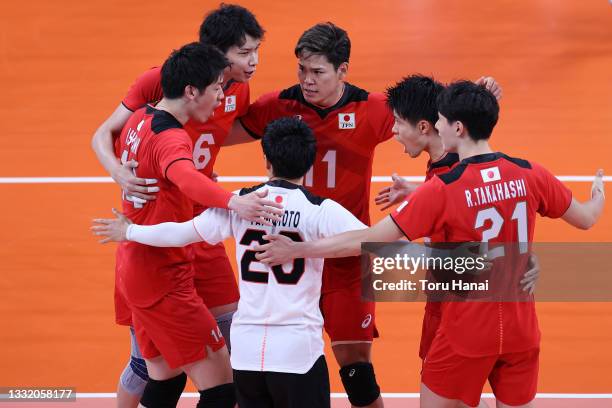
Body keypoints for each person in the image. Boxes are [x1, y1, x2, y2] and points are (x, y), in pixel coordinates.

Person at [254, 81, 605, 408]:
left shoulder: (445, 188)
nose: (435, 125)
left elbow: (370, 240)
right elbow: (587, 218)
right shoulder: (530, 172)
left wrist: (298, 249)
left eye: (440, 120)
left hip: (465, 329)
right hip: (521, 328)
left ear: (457, 128)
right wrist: (599, 193)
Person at [227, 22, 502, 408]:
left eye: (318, 72)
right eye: (302, 70)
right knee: (268, 364)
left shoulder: (371, 109)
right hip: (285, 252)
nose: (307, 80)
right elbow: (218, 130)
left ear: (343, 70)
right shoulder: (278, 105)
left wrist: (477, 98)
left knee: (356, 370)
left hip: (346, 255)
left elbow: (426, 117)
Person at [93, 117, 369, 408]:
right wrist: (305, 249)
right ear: (310, 164)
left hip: (247, 351)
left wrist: (129, 231)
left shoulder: (240, 202)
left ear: (266, 160)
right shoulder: (319, 210)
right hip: (297, 350)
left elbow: (180, 234)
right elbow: (370, 244)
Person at [90, 4, 265, 406]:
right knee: (168, 367)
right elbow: (105, 133)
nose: (252, 61)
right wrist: (121, 173)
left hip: (191, 230)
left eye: (256, 50)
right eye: (243, 52)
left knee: (218, 338)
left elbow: (220, 133)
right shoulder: (164, 83)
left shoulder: (230, 92)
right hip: (161, 236)